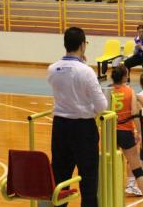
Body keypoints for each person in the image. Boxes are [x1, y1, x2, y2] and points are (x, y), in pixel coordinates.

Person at [47, 27, 108, 207]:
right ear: (83, 45)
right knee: (88, 180)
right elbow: (102, 106)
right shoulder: (86, 71)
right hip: (83, 129)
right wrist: (89, 109)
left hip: (59, 127)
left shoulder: (52, 69)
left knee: (60, 177)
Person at [110, 65, 143, 203]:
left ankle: (109, 199)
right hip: (125, 133)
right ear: (125, 77)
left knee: (109, 167)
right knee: (136, 168)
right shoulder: (129, 91)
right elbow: (135, 114)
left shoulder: (108, 91)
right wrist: (139, 132)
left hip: (110, 133)